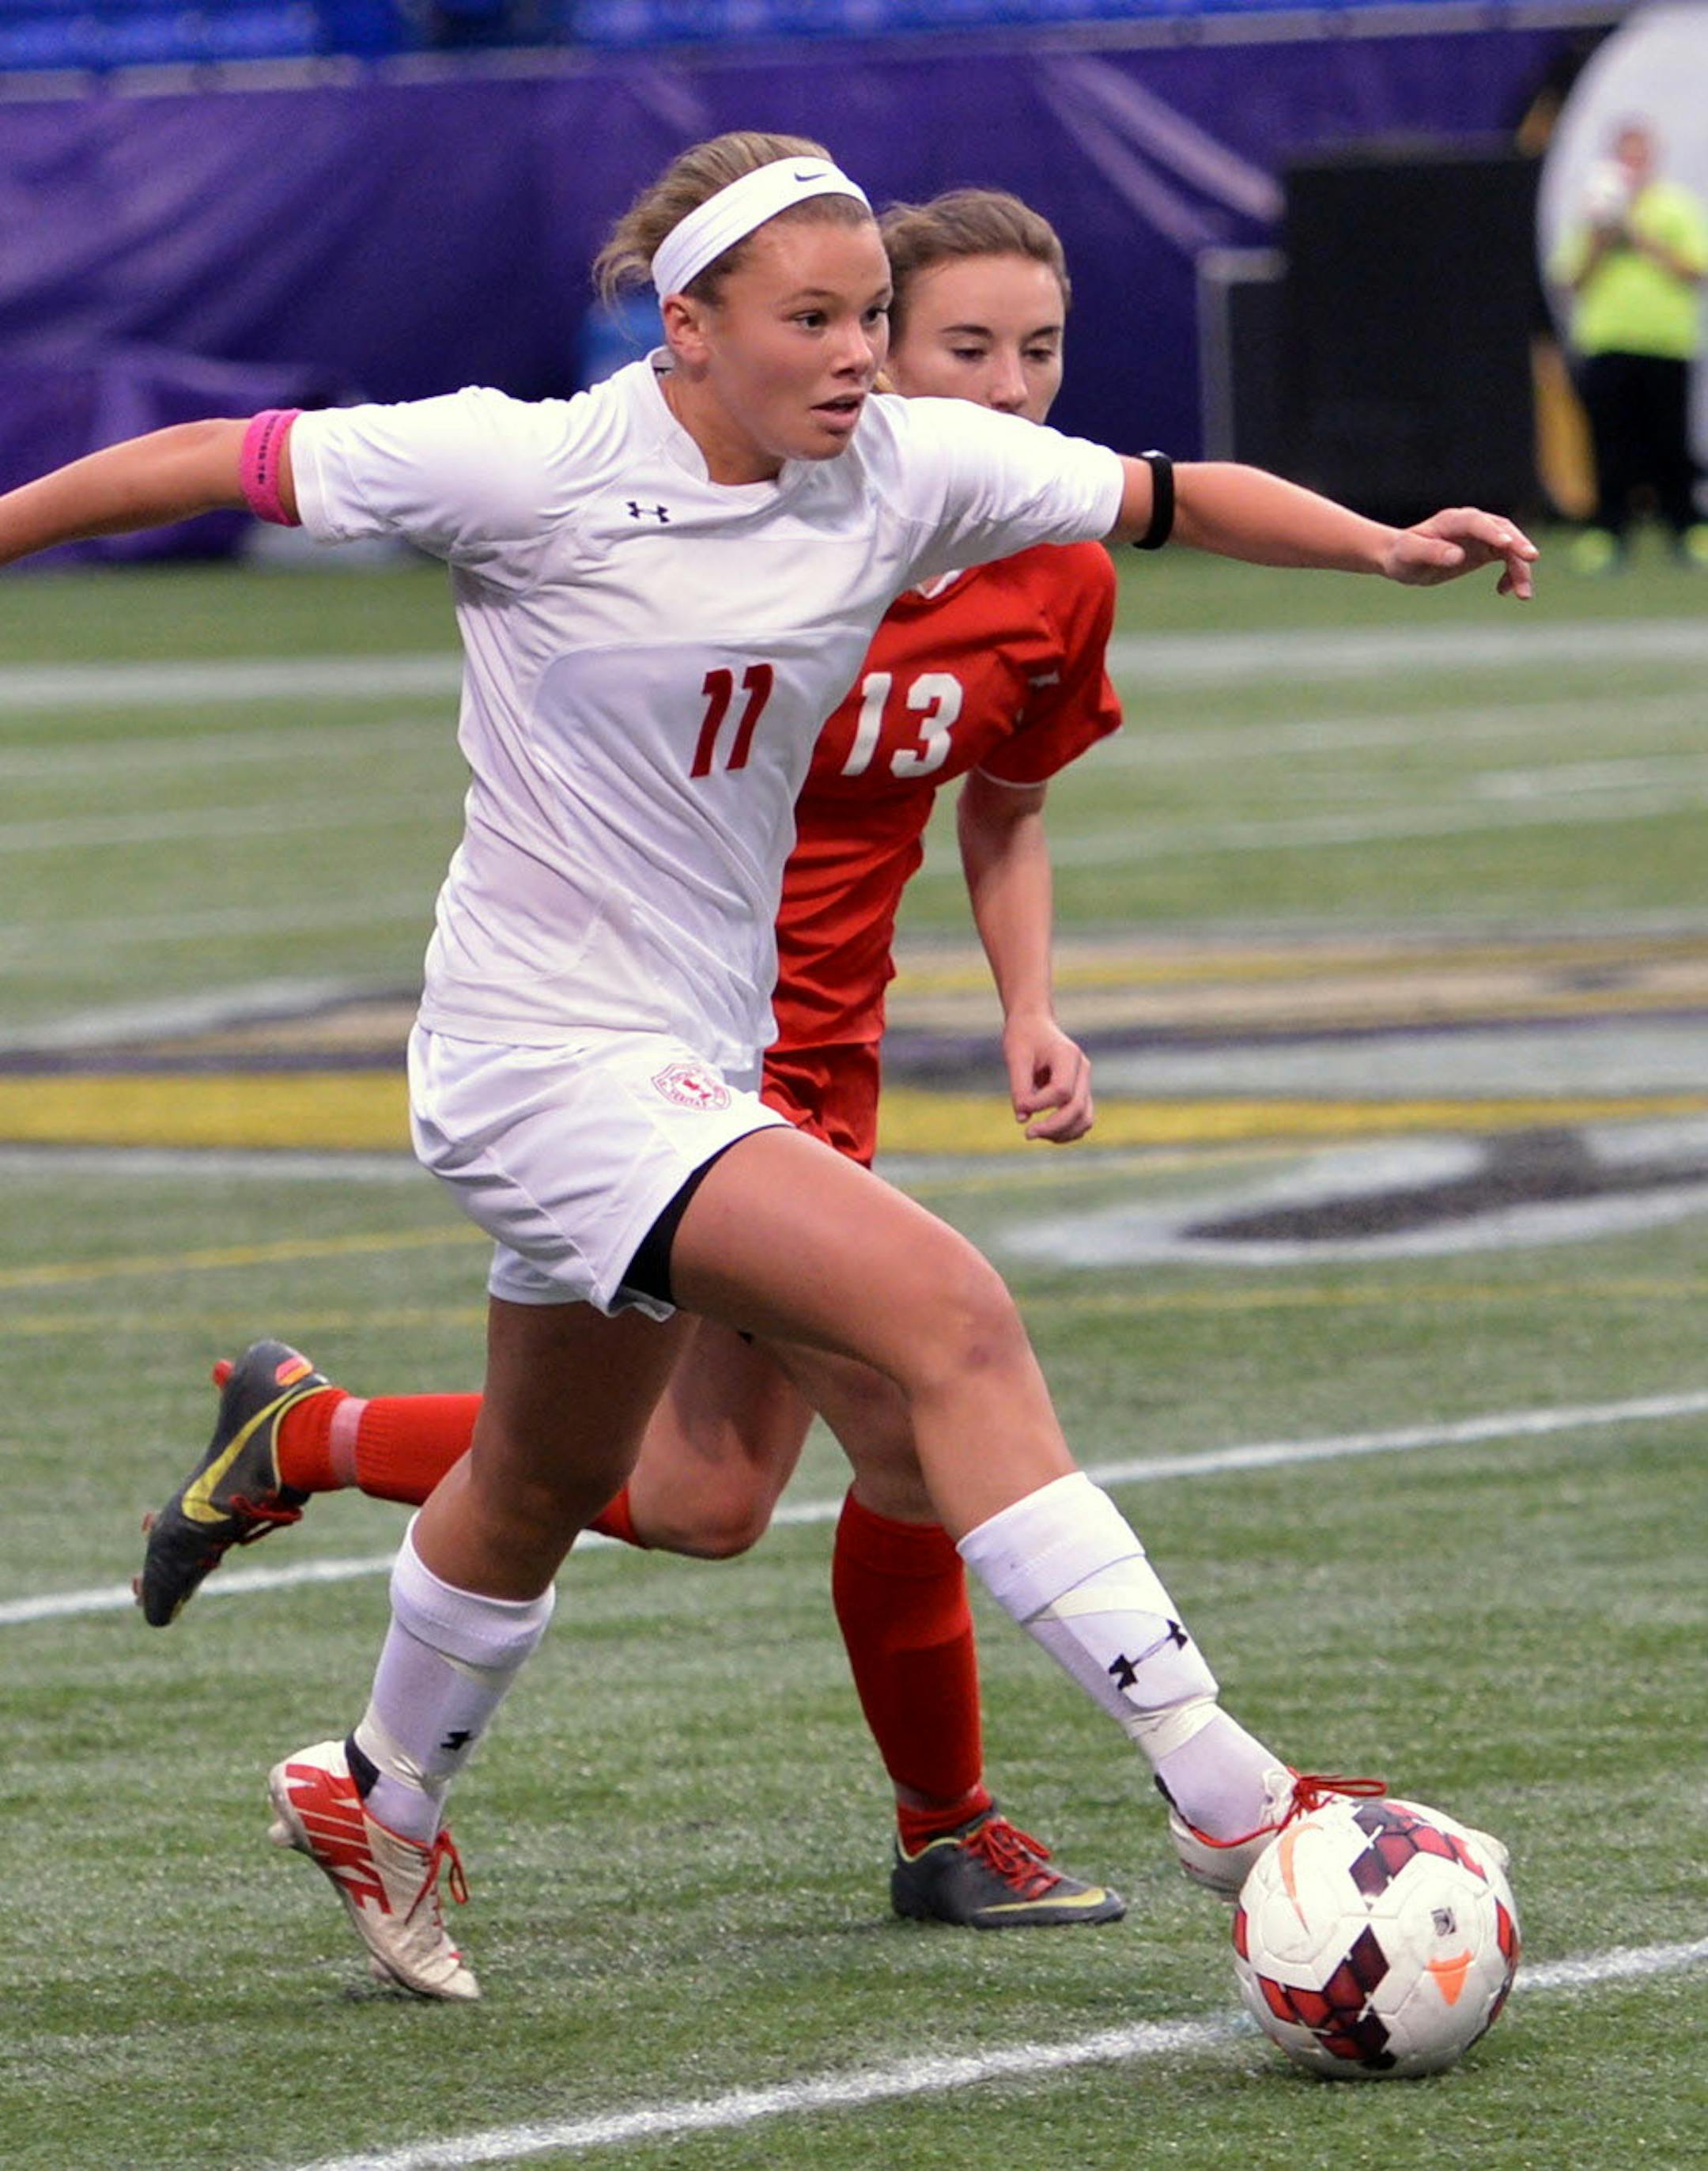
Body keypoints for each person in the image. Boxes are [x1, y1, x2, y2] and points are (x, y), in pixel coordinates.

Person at [1, 130, 1535, 2005]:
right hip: (540, 1059)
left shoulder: (900, 465)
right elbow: (204, 461)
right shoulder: (529, 464)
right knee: (948, 1320)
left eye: (869, 313)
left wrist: (1380, 541)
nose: (854, 352)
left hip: (695, 1060)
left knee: (556, 1477)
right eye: (810, 318)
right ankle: (1229, 1799)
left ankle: (376, 1788)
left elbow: (1162, 493)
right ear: (688, 325)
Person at [135, 190, 1136, 1938]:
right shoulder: (749, 518)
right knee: (915, 1408)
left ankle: (314, 1438)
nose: (1007, 385)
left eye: (1039, 349)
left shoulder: (1044, 562)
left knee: (700, 1497)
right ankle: (964, 1823)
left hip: (818, 1058)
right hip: (661, 1070)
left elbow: (1010, 806)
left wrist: (1030, 1004)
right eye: (960, 345)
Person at [1550, 121, 1708, 573]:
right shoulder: (1594, 215)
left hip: (1666, 342)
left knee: (1670, 441)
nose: (1633, 165)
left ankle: (1688, 527)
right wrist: (1602, 239)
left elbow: (1696, 270)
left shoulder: (1675, 207)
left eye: (1640, 156)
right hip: (1607, 341)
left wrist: (1639, 237)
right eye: (1626, 156)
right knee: (1611, 444)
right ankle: (1607, 531)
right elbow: (1571, 280)